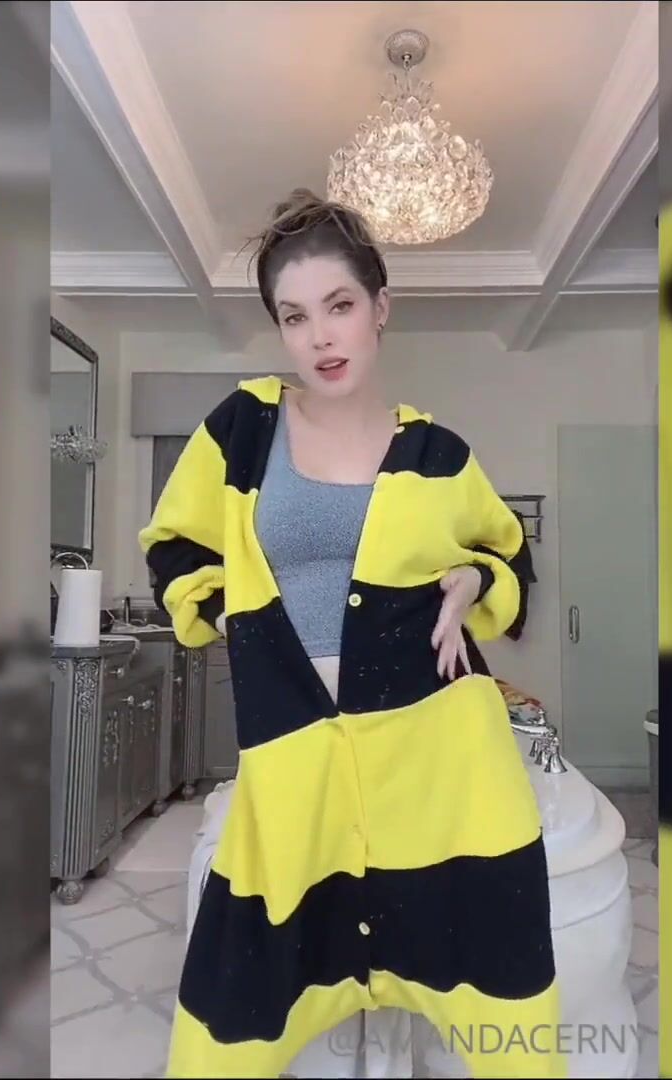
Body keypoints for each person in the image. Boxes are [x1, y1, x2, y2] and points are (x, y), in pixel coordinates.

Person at [139, 189, 564, 1079]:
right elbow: (174, 544)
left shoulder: (439, 454)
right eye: (295, 316)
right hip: (291, 747)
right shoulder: (242, 429)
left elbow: (509, 557)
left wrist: (473, 579)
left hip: (439, 748)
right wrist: (230, 616)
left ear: (380, 308)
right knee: (232, 1008)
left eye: (338, 306)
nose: (320, 336)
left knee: (495, 975)